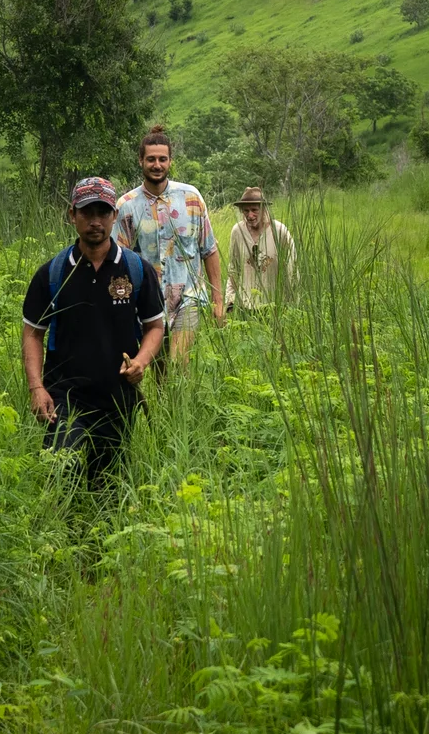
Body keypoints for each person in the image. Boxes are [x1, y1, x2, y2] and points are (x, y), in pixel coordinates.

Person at [20, 177, 166, 486]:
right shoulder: (53, 273)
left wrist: (141, 361)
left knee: (108, 485)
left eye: (103, 212)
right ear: (72, 214)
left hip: (117, 397)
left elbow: (154, 326)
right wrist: (36, 388)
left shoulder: (136, 269)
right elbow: (33, 333)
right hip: (64, 396)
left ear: (115, 215)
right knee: (61, 472)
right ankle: (61, 532)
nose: (95, 221)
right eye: (87, 212)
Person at [113, 125, 224, 362]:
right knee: (161, 369)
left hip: (188, 295)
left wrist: (218, 300)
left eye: (163, 159)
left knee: (179, 361)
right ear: (141, 160)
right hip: (147, 301)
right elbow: (116, 259)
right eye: (151, 159)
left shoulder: (191, 198)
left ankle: (183, 397)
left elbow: (209, 250)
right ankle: (166, 400)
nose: (157, 165)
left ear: (170, 161)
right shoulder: (126, 206)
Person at [227, 187, 297, 309]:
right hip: (245, 305)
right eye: (246, 211)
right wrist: (230, 300)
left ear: (264, 209)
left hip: (275, 305)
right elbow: (234, 268)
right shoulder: (237, 231)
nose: (250, 215)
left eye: (254, 210)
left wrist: (290, 303)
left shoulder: (280, 231)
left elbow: (292, 269)